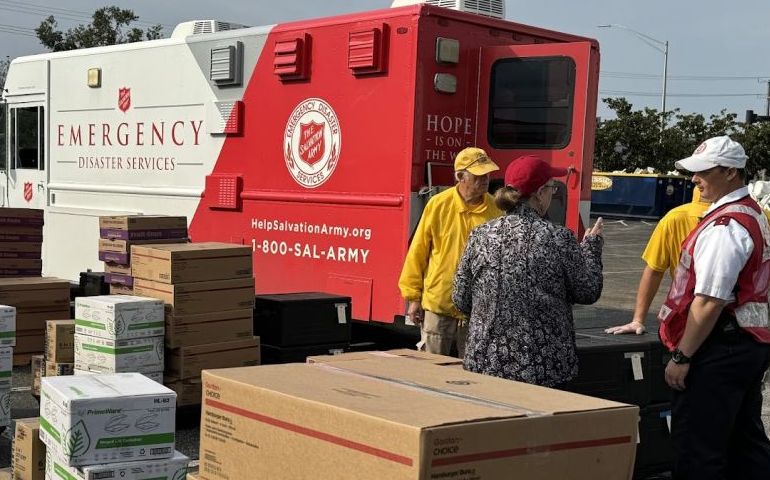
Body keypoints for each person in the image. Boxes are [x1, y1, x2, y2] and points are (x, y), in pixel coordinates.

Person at [658, 136, 770, 479]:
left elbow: (708, 300)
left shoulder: (725, 226)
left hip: (718, 348)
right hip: (745, 345)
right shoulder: (751, 213)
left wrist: (682, 357)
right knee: (744, 443)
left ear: (731, 173)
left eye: (703, 172)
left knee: (698, 450)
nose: (694, 180)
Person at [453, 155, 604, 387]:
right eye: (552, 189)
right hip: (542, 367)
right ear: (539, 192)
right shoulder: (558, 237)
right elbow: (587, 291)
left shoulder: (480, 235)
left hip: (485, 363)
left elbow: (461, 299)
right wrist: (591, 247)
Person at [398, 147, 502, 357]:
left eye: (487, 174)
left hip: (478, 309)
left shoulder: (496, 210)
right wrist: (413, 297)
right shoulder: (438, 205)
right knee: (432, 369)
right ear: (460, 177)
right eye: (479, 175)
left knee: (475, 371)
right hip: (440, 304)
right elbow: (418, 253)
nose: (485, 180)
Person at [605, 188, 709, 335]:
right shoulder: (745, 217)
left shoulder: (675, 218)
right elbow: (654, 271)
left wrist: (638, 319)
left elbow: (654, 271)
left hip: (694, 316)